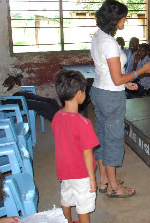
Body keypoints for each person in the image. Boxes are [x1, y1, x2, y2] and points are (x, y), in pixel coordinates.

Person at [90, 0, 150, 198]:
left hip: (99, 91)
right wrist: (141, 71)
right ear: (116, 20)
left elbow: (108, 73)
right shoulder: (110, 44)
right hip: (110, 98)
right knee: (113, 140)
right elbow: (117, 76)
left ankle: (104, 178)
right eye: (124, 17)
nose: (125, 20)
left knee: (103, 136)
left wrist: (123, 83)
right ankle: (114, 186)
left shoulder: (98, 37)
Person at [52, 70, 99, 223]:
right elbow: (87, 154)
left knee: (66, 199)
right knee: (83, 206)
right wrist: (92, 178)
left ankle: (66, 221)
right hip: (81, 174)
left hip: (64, 171)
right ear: (79, 93)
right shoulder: (83, 123)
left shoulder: (57, 117)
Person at [0, 46, 60, 121]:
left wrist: (13, 78)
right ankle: (62, 126)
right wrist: (13, 80)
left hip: (19, 94)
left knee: (51, 101)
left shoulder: (0, 67)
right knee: (44, 106)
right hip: (9, 100)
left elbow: (18, 71)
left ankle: (64, 121)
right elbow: (2, 90)